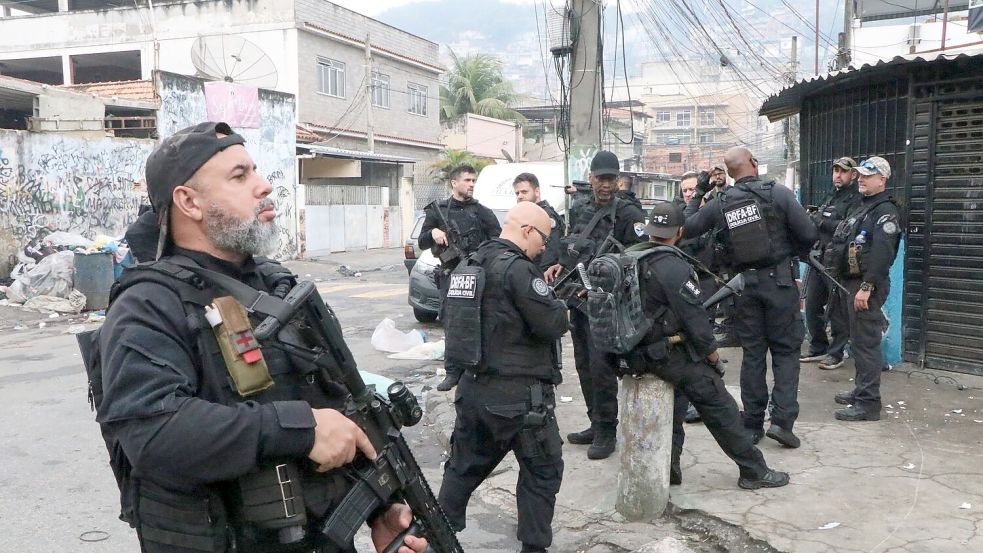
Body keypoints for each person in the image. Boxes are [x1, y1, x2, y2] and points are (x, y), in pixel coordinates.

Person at [96, 122, 428, 553]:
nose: (265, 186)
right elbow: (152, 434)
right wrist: (300, 428)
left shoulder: (278, 285)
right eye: (240, 176)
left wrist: (381, 508)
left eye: (255, 171)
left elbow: (342, 402)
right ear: (189, 202)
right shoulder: (148, 303)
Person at [624, 202, 789, 489]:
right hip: (667, 354)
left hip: (634, 353)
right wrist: (713, 357)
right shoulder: (674, 266)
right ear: (679, 232)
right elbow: (696, 322)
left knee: (675, 406)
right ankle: (754, 471)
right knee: (719, 404)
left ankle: (669, 468)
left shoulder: (629, 258)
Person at [438, 202, 568, 553]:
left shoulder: (469, 264)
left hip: (473, 389)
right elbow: (552, 324)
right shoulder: (519, 270)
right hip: (519, 398)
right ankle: (533, 548)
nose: (544, 246)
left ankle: (432, 536)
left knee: (462, 469)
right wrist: (561, 306)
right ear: (527, 231)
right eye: (543, 238)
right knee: (542, 471)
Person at [683, 147, 817, 449]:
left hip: (744, 287)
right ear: (754, 163)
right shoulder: (780, 194)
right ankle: (782, 423)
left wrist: (700, 190)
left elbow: (687, 227)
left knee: (753, 354)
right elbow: (809, 234)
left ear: (729, 173)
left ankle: (753, 423)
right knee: (785, 353)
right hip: (780, 284)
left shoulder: (722, 202)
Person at [544, 150, 646, 460]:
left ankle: (607, 431)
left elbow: (638, 257)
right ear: (591, 178)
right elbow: (567, 243)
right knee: (584, 366)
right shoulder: (580, 208)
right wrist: (557, 264)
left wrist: (605, 283)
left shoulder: (629, 213)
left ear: (619, 180)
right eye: (600, 179)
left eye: (610, 179)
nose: (605, 185)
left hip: (608, 303)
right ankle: (594, 421)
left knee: (602, 368)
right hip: (577, 298)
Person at [829, 156, 901, 422]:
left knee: (867, 344)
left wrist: (867, 287)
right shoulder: (865, 206)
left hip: (866, 286)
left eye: (868, 175)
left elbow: (883, 254)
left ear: (882, 179)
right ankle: (862, 391)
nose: (861, 178)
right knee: (858, 342)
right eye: (860, 174)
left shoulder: (885, 212)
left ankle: (869, 403)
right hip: (853, 283)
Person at [419, 164, 502, 391]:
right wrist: (433, 233)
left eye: (473, 180)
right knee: (452, 322)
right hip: (451, 274)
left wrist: (480, 256)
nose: (471, 184)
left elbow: (498, 241)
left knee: (480, 320)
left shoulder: (481, 211)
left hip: (476, 274)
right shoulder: (439, 211)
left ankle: (480, 368)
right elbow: (422, 241)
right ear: (454, 183)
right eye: (467, 180)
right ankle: (453, 371)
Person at [801, 157, 862, 370]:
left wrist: (821, 221)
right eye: (835, 170)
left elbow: (847, 228)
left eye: (843, 171)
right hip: (819, 258)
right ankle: (819, 347)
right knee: (812, 306)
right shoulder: (831, 196)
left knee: (836, 310)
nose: (838, 175)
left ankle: (836, 353)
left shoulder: (856, 199)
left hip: (837, 263)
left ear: (853, 175)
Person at [513, 172, 566, 271]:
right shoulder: (527, 214)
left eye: (524, 192)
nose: (519, 196)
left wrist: (540, 275)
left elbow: (552, 251)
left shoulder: (545, 215)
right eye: (517, 193)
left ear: (536, 191)